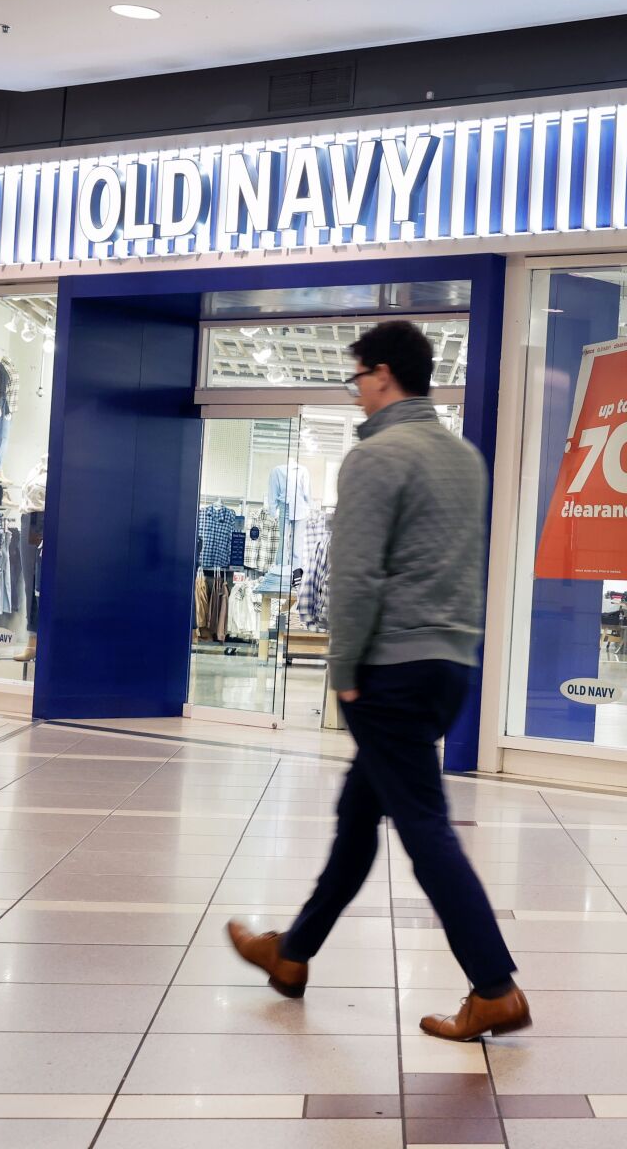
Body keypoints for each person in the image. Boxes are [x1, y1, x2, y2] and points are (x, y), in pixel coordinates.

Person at [227, 319, 528, 1041]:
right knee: (359, 816)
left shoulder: (374, 458)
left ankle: (494, 987)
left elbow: (356, 579)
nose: (357, 391)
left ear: (384, 374)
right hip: (448, 664)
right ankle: (292, 954)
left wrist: (343, 669)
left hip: (389, 667)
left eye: (358, 377)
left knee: (423, 828)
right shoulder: (464, 459)